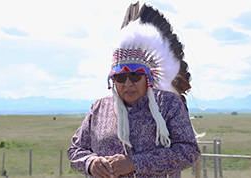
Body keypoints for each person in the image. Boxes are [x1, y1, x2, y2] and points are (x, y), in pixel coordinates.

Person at [67, 2, 200, 178]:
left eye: (135, 76)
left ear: (148, 78)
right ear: (112, 81)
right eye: (120, 78)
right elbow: (75, 150)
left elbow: (188, 151)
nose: (128, 83)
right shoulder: (100, 108)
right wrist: (91, 163)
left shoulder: (168, 104)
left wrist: (135, 163)